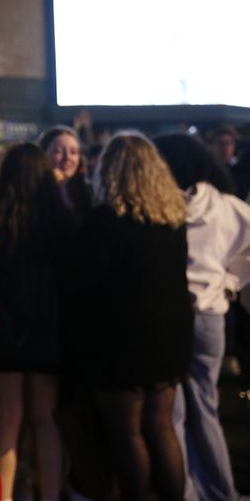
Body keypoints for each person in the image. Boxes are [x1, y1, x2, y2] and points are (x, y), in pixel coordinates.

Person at [67, 132, 191, 501]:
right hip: (170, 337)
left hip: (121, 344)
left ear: (110, 171)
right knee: (162, 427)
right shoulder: (171, 218)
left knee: (128, 434)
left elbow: (82, 282)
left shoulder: (105, 221)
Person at [154, 134, 250, 501]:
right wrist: (229, 281)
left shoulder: (161, 207)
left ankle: (186, 492)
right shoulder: (226, 206)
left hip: (170, 316)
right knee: (206, 408)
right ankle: (221, 490)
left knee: (173, 413)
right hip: (211, 316)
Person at [0, 143, 73, 501]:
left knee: (5, 422)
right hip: (48, 330)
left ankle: (1, 495)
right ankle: (49, 495)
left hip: (3, 330)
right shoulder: (61, 220)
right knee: (46, 420)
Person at [39, 126, 92, 220]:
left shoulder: (89, 191)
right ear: (43, 155)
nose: (67, 158)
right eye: (58, 151)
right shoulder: (35, 192)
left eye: (73, 152)